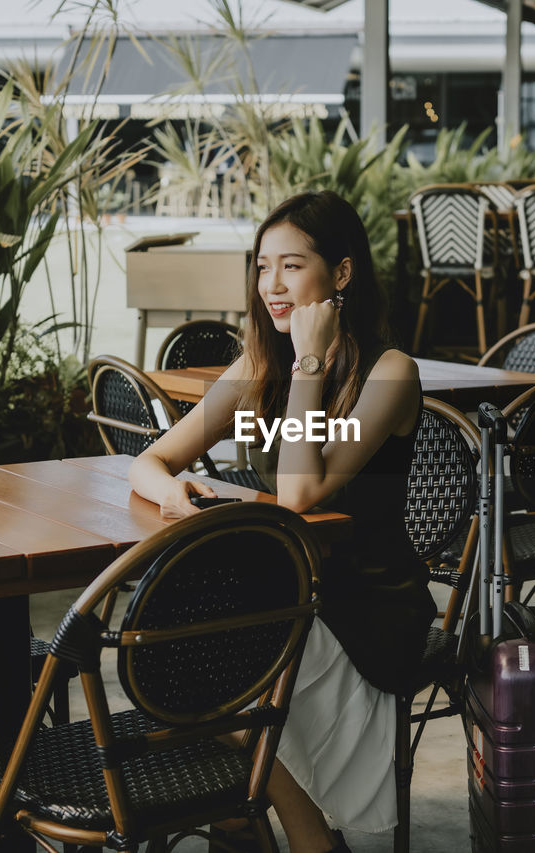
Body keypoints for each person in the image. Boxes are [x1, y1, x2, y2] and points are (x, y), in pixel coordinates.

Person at [128, 190, 435, 853]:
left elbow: (301, 492)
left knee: (209, 651)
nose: (272, 283)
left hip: (364, 608)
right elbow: (150, 459)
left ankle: (292, 831)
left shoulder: (391, 373)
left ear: (342, 274)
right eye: (262, 266)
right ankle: (270, 824)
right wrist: (175, 490)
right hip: (292, 589)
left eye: (291, 266)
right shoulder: (257, 366)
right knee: (170, 641)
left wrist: (310, 362)